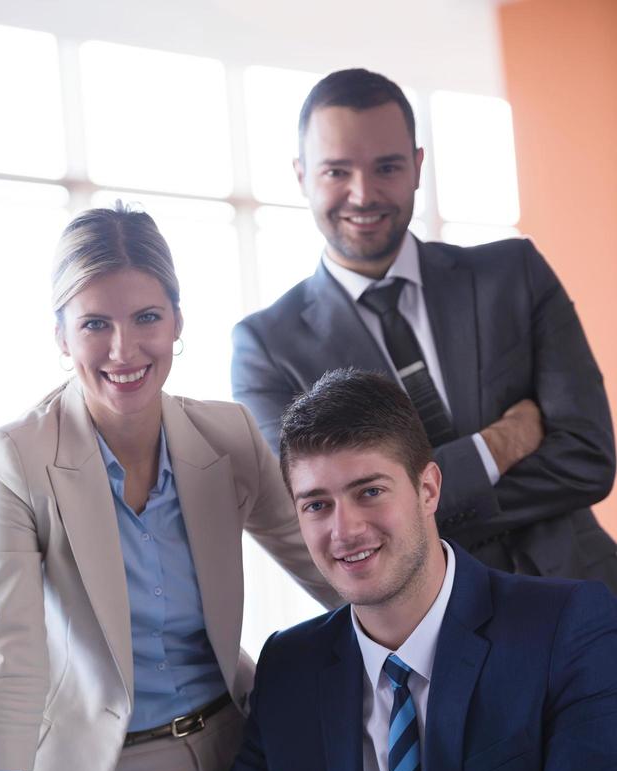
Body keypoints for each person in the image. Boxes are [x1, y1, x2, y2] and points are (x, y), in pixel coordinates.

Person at [0, 204, 337, 771]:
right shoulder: (18, 458)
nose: (124, 347)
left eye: (146, 317)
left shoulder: (226, 436)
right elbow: (9, 662)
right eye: (95, 323)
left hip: (235, 759)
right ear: (60, 332)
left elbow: (327, 565)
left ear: (176, 322)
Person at [213, 368, 617, 771]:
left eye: (369, 492)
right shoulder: (289, 665)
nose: (344, 530)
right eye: (316, 505)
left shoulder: (563, 626)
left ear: (428, 489)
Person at [231, 67, 617, 586]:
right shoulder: (267, 348)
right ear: (302, 175)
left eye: (386, 167)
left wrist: (406, 511)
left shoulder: (514, 274)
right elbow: (325, 533)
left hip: (589, 597)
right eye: (336, 172)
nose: (363, 194)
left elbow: (588, 459)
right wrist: (497, 446)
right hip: (433, 641)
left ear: (416, 167)